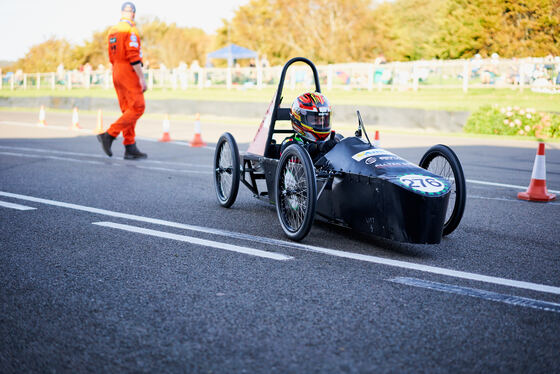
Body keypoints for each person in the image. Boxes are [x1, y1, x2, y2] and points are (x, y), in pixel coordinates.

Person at [97, 2, 147, 159]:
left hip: (116, 70)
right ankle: (109, 134)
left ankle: (129, 145)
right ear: (133, 13)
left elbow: (111, 56)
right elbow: (133, 55)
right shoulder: (131, 30)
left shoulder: (112, 31)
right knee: (138, 107)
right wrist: (141, 77)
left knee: (128, 110)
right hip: (128, 71)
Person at [280, 92, 340, 162]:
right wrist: (319, 147)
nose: (320, 123)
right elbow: (298, 153)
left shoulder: (332, 139)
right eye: (314, 120)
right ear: (298, 119)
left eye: (322, 119)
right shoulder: (290, 143)